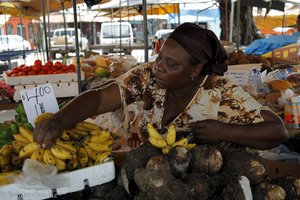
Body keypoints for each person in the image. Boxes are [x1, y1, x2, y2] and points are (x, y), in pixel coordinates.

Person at [34, 23, 288, 151]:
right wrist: (60, 120)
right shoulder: (148, 76)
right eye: (160, 57)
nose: (159, 67)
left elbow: (278, 131)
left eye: (171, 63)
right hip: (154, 180)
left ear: (196, 69)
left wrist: (225, 131)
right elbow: (100, 98)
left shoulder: (220, 92)